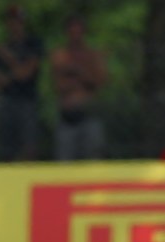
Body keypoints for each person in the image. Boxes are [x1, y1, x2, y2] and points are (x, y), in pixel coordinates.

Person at [49, 14, 107, 161]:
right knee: (65, 161)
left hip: (89, 116)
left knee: (93, 159)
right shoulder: (60, 55)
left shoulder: (92, 55)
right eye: (72, 31)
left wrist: (78, 72)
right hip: (67, 119)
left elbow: (99, 81)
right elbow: (58, 85)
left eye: (78, 31)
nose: (75, 36)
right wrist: (79, 79)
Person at [0, 5, 45, 161]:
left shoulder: (32, 44)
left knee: (29, 145)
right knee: (8, 145)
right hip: (7, 100)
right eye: (12, 21)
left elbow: (26, 73)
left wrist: (8, 58)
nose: (15, 25)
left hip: (28, 100)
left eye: (19, 21)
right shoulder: (2, 47)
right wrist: (16, 72)